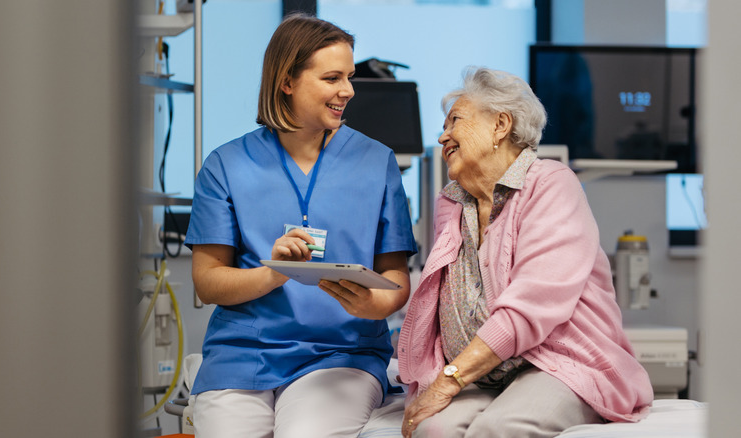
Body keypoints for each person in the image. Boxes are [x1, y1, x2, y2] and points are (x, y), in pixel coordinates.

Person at [183, 13, 417, 438]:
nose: (347, 90)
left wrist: (375, 305)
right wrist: (273, 274)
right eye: (331, 78)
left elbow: (395, 277)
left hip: (341, 354)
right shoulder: (226, 165)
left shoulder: (376, 162)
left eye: (348, 76)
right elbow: (207, 282)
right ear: (287, 81)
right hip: (243, 354)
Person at [397, 67, 653, 438]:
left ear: (500, 125)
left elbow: (530, 305)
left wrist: (449, 381)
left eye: (455, 121)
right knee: (430, 429)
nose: (442, 136)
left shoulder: (550, 184)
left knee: (499, 428)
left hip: (556, 362)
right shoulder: (451, 202)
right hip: (483, 372)